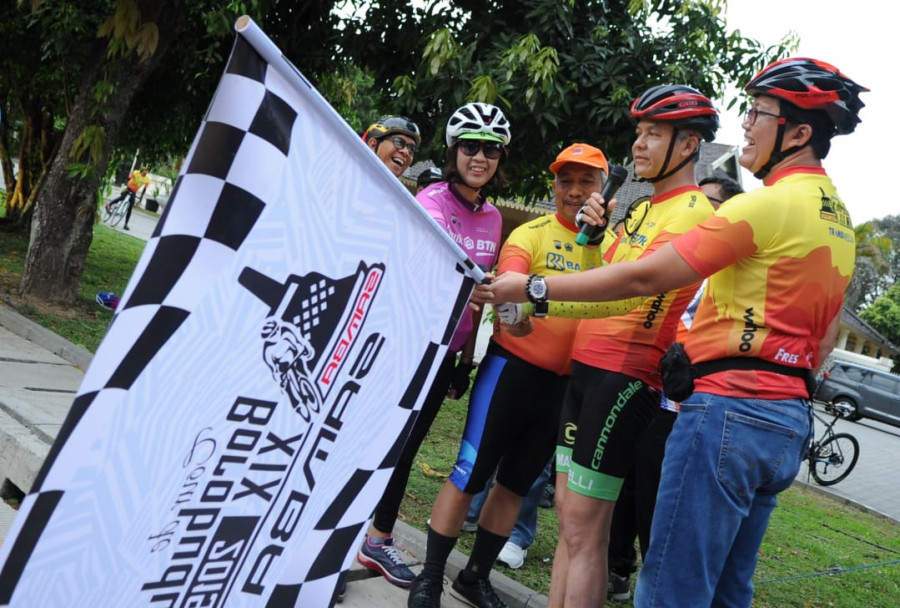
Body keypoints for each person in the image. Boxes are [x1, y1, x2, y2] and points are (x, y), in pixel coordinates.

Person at [479, 57, 865, 607]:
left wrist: (533, 289)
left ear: (800, 132)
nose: (747, 124)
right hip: (786, 416)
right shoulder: (839, 218)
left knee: (669, 589)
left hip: (726, 411)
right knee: (727, 592)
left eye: (759, 113)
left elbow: (642, 279)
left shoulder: (770, 203)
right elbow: (826, 336)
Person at [475, 85, 720, 608]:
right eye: (638, 133)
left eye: (654, 133)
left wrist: (535, 292)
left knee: (586, 531)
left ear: (689, 144)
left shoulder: (695, 212)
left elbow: (625, 294)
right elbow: (600, 278)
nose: (639, 144)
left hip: (625, 374)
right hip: (585, 371)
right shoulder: (644, 208)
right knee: (568, 519)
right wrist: (592, 241)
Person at [408, 142, 648, 608]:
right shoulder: (532, 235)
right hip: (510, 372)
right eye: (567, 181)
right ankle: (430, 578)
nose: (576, 192)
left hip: (564, 387)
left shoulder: (616, 249)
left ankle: (474, 577)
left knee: (515, 486)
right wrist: (514, 312)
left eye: (588, 182)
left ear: (606, 190)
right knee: (469, 474)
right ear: (554, 186)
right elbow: (508, 289)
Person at [357, 102, 510, 591]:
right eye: (470, 147)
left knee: (408, 447)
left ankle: (376, 537)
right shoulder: (432, 203)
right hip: (411, 344)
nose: (480, 158)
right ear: (453, 152)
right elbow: (423, 276)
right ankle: (337, 543)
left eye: (491, 149)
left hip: (449, 353)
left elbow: (479, 298)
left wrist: (466, 361)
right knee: (379, 442)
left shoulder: (492, 218)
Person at [606, 172, 744, 602]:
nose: (699, 211)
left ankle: (657, 581)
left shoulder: (730, 269)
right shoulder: (675, 252)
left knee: (659, 500)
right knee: (626, 483)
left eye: (711, 205)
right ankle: (617, 568)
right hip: (645, 387)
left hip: (686, 406)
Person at [105, 166, 151, 231]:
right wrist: (125, 187)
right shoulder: (136, 173)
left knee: (130, 208)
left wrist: (141, 198)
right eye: (145, 170)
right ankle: (109, 205)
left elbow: (144, 189)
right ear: (142, 170)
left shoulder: (147, 179)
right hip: (128, 187)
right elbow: (128, 179)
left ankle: (125, 224)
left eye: (147, 171)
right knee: (121, 198)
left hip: (134, 191)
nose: (145, 172)